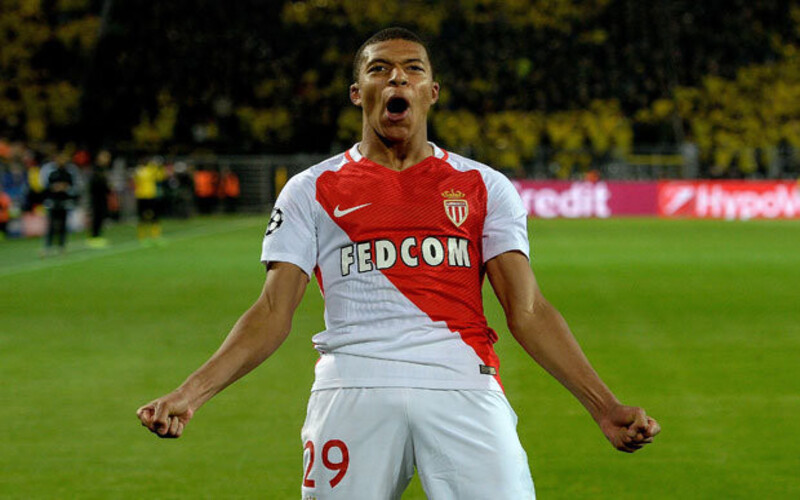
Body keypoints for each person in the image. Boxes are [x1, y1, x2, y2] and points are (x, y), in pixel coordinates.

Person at [137, 28, 660, 499]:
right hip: (352, 386)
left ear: (431, 92)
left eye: (413, 69)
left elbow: (528, 310)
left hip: (463, 382)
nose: (397, 78)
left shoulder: (484, 186)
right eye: (380, 69)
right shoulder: (310, 189)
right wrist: (191, 393)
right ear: (357, 93)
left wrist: (603, 406)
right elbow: (272, 312)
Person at [41, 153, 80, 256]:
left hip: (65, 202)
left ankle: (61, 247)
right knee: (51, 225)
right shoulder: (50, 171)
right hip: (53, 202)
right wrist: (54, 188)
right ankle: (48, 247)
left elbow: (74, 187)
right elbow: (44, 186)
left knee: (63, 225)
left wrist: (66, 188)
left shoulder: (69, 172)